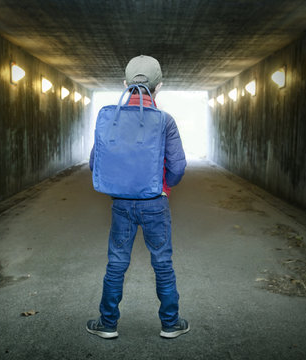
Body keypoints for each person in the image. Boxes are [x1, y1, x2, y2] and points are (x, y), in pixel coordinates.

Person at [87, 55, 189, 339]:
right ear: (159, 87)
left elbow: (96, 163)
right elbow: (178, 167)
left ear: (125, 84)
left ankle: (108, 324)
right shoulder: (165, 121)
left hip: (121, 204)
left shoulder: (110, 119)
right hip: (156, 202)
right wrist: (164, 186)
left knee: (117, 263)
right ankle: (170, 324)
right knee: (163, 264)